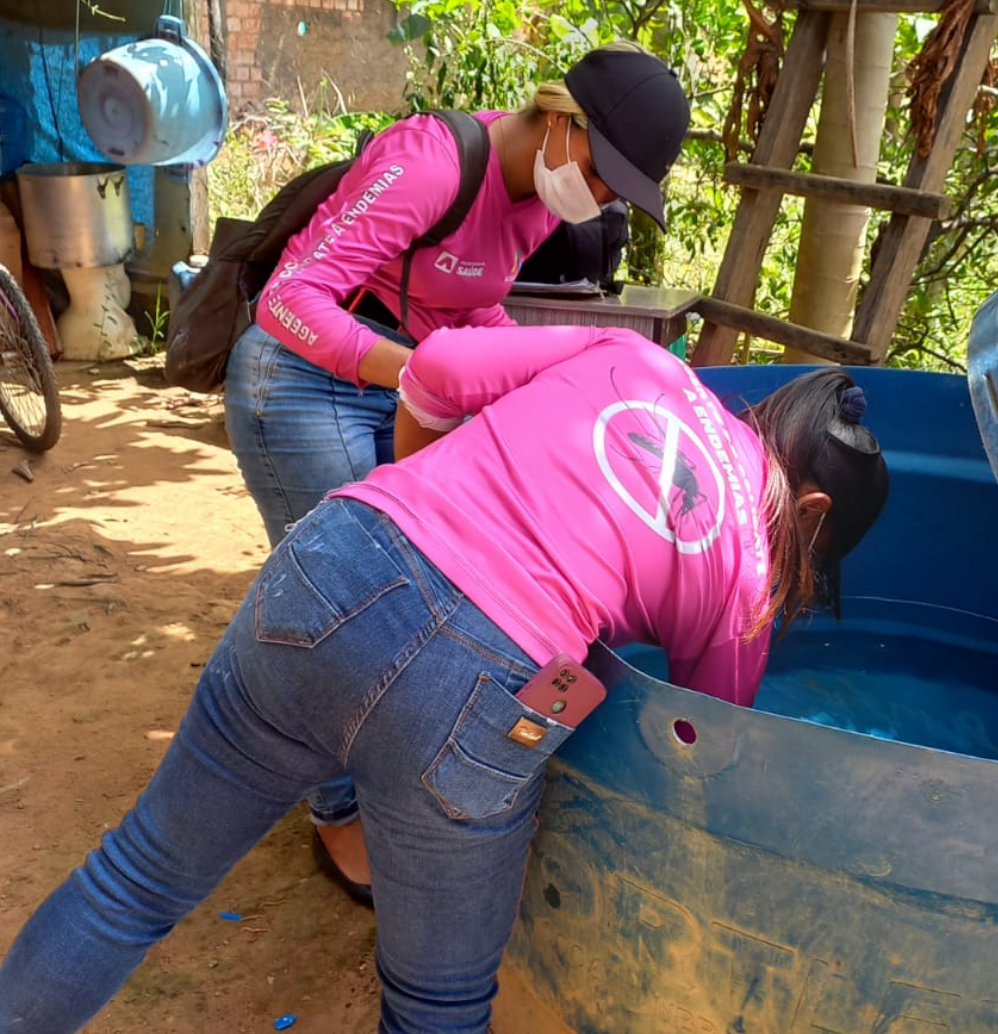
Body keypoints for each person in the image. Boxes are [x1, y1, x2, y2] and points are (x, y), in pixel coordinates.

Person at [0, 325, 888, 1034]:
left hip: (334, 561)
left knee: (135, 879)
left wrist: (418, 483)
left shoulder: (638, 358)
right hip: (475, 691)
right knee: (437, 1010)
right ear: (810, 511)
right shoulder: (740, 575)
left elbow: (437, 369)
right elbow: (704, 742)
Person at [222, 43, 691, 891]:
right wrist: (421, 375)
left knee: (417, 584)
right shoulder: (428, 165)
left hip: (398, 372)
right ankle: (338, 814)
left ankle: (393, 765)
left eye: (623, 186)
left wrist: (541, 374)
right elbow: (289, 299)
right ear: (558, 121)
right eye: (606, 170)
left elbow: (470, 302)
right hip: (299, 375)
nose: (606, 196)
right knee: (339, 604)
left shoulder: (537, 205)